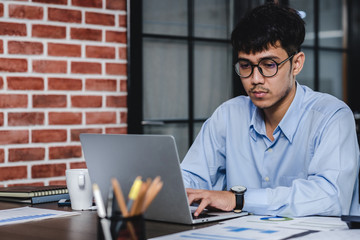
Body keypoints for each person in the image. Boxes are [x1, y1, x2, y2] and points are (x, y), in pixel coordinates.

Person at [181, 3, 360, 217]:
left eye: (269, 64)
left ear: (296, 64)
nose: (255, 79)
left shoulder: (332, 116)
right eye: (246, 65)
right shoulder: (228, 115)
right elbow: (190, 178)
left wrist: (238, 199)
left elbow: (331, 196)